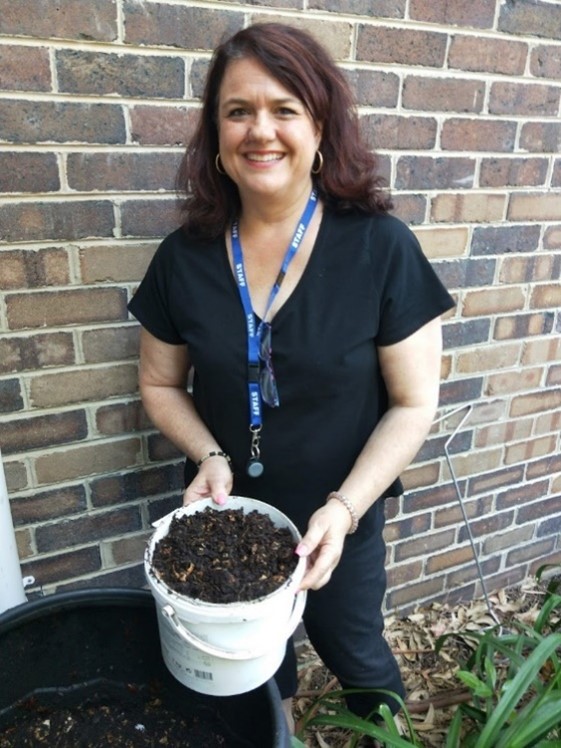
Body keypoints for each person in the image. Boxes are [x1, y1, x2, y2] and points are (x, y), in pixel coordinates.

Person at [128, 22, 455, 736]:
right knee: (248, 671)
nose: (259, 131)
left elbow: (412, 402)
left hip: (338, 518)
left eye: (284, 109)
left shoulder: (378, 246)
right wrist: (210, 455)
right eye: (237, 110)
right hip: (226, 520)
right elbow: (159, 384)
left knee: (358, 655)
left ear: (320, 125)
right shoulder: (182, 258)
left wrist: (342, 510)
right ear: (215, 134)